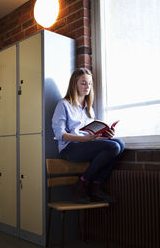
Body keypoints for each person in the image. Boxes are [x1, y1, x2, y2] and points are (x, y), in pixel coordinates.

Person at [52, 68, 125, 204]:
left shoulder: (89, 109)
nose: (88, 87)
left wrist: (104, 136)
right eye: (83, 83)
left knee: (119, 143)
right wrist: (84, 139)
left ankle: (96, 185)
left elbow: (91, 135)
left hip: (85, 145)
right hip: (69, 149)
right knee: (114, 147)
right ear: (75, 84)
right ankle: (82, 183)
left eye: (90, 84)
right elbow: (60, 134)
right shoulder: (64, 105)